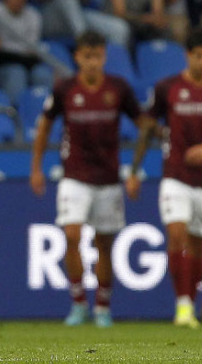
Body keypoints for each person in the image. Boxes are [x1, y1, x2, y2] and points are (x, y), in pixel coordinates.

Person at [127, 29, 202, 328]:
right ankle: (183, 306)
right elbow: (148, 128)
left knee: (201, 247)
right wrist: (135, 170)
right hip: (175, 175)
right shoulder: (167, 88)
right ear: (188, 56)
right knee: (177, 236)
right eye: (200, 55)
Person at [30, 31, 141, 328]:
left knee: (104, 245)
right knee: (72, 235)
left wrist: (136, 170)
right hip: (74, 176)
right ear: (78, 57)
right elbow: (44, 127)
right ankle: (79, 303)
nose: (92, 62)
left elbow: (144, 124)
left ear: (104, 57)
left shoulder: (118, 89)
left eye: (98, 56)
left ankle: (102, 306)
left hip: (108, 178)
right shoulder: (65, 88)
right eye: (87, 56)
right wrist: (36, 167)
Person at [0, 0, 52, 103]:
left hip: (29, 63)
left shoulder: (33, 15)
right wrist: (19, 50)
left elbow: (32, 49)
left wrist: (9, 47)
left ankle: (46, 116)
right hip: (3, 64)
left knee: (43, 74)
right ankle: (15, 117)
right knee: (17, 73)